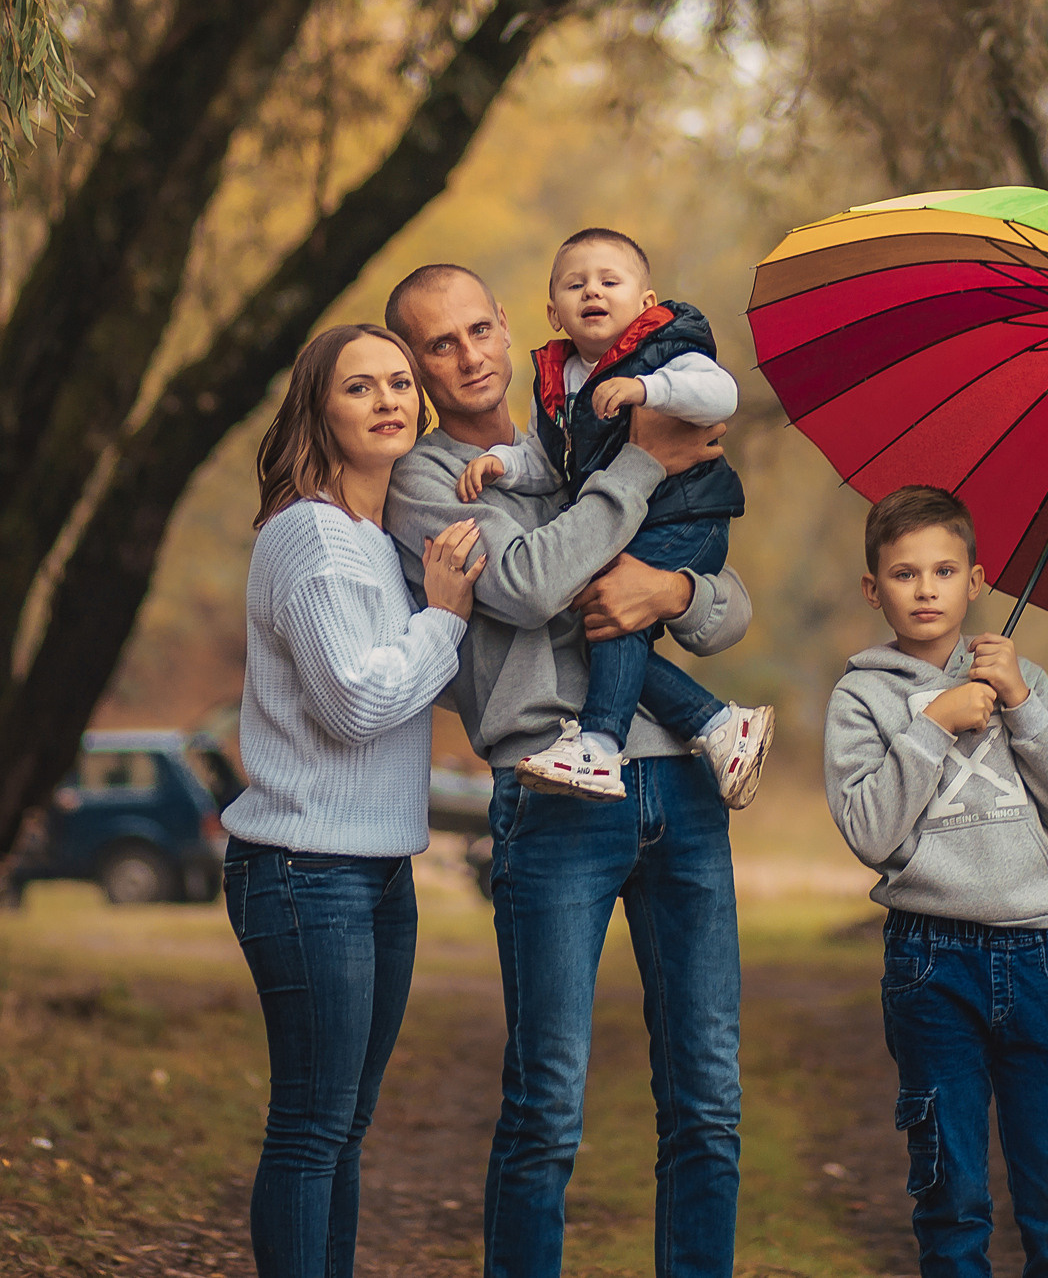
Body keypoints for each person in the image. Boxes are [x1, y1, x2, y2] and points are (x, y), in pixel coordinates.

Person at [382, 263, 752, 1278]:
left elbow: (728, 608)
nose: (466, 356)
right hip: (552, 793)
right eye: (438, 345)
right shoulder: (425, 482)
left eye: (475, 330)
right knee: (547, 1100)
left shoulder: (567, 426)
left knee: (709, 1095)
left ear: (507, 328)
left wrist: (666, 585)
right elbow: (534, 584)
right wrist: (639, 466)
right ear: (415, 367)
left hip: (678, 780)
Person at [219, 322, 486, 1278]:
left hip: (374, 871)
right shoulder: (312, 536)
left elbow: (412, 679)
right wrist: (446, 617)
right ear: (317, 412)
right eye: (359, 387)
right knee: (311, 1124)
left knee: (344, 1126)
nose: (389, 400)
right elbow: (360, 702)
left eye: (401, 384)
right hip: (304, 872)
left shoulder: (378, 545)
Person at [822, 485, 1048, 1278]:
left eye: (943, 571)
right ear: (872, 589)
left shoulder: (1021, 679)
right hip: (930, 959)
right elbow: (870, 833)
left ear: (976, 580)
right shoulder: (861, 699)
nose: (925, 589)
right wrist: (933, 724)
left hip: (1036, 954)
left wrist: (1020, 703)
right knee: (951, 1198)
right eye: (905, 573)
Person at [456, 228, 773, 805]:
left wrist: (649, 389)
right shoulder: (559, 380)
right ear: (554, 313)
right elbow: (547, 463)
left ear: (645, 303)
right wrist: (502, 463)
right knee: (606, 622)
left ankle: (600, 745)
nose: (592, 292)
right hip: (639, 521)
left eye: (609, 281)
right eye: (576, 285)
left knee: (615, 618)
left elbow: (720, 394)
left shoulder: (668, 344)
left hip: (686, 514)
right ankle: (719, 725)